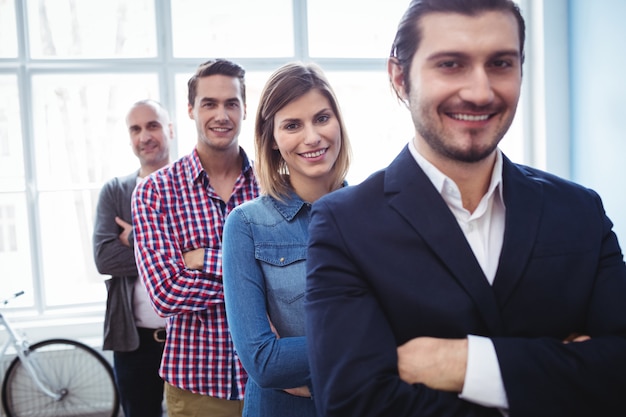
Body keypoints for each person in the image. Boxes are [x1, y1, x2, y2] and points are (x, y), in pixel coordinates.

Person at [304, 1, 626, 416]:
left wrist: (466, 365)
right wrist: (563, 378)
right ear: (399, 77)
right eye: (451, 64)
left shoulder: (580, 209)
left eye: (501, 63)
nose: (480, 92)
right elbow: (355, 404)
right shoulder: (343, 223)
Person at [222, 62, 351, 417]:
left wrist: (299, 357)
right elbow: (263, 362)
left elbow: (413, 330)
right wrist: (370, 347)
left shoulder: (378, 212)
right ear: (273, 139)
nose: (312, 137)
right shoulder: (246, 224)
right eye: (292, 125)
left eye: (322, 118)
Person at [131, 59, 259, 417]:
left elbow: (295, 276)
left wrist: (205, 258)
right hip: (197, 387)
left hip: (271, 381)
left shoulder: (272, 184)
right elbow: (166, 294)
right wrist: (257, 282)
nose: (222, 114)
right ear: (190, 110)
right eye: (209, 104)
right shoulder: (155, 192)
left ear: (244, 109)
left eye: (231, 103)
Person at [93, 99, 172, 417]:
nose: (145, 136)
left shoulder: (190, 186)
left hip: (190, 334)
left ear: (170, 130)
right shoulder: (114, 191)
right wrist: (172, 251)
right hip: (134, 340)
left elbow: (208, 253)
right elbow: (104, 259)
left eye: (153, 125)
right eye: (135, 129)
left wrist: (134, 238)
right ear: (129, 138)